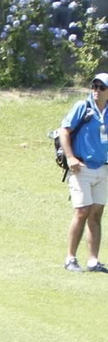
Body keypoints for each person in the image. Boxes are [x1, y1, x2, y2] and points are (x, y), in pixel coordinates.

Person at [60, 72, 108, 272]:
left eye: (101, 87)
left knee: (96, 214)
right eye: (94, 87)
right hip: (82, 168)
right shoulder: (83, 107)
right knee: (81, 211)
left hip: (103, 168)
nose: (96, 91)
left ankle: (93, 261)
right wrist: (70, 158)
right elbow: (64, 130)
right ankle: (70, 258)